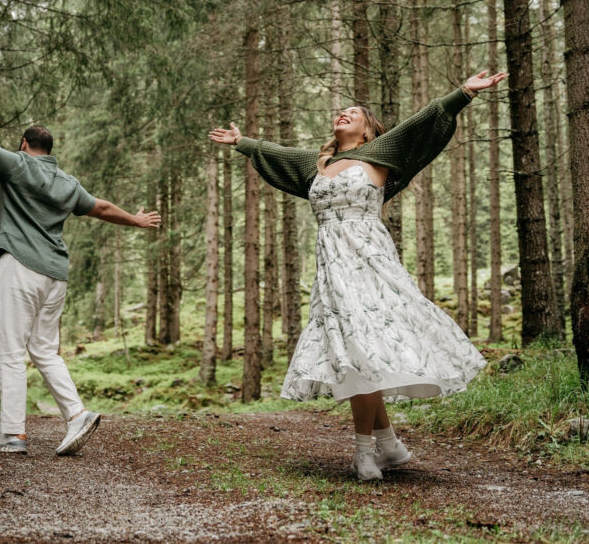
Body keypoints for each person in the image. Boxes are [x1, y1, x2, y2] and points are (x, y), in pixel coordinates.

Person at [209, 70, 506, 480]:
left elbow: (423, 121)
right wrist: (242, 143)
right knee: (358, 351)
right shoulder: (318, 164)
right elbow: (277, 153)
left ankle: (365, 451)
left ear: (368, 132)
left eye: (354, 112)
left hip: (370, 260)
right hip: (332, 265)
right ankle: (389, 446)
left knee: (363, 348)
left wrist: (464, 93)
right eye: (341, 111)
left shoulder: (381, 151)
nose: (343, 113)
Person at [0, 78, 161, 456]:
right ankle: (76, 414)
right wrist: (135, 220)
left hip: (20, 269)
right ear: (50, 151)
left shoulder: (17, 166)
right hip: (55, 277)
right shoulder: (67, 183)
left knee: (11, 351)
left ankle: (13, 434)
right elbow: (99, 207)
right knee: (45, 350)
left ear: (23, 145)